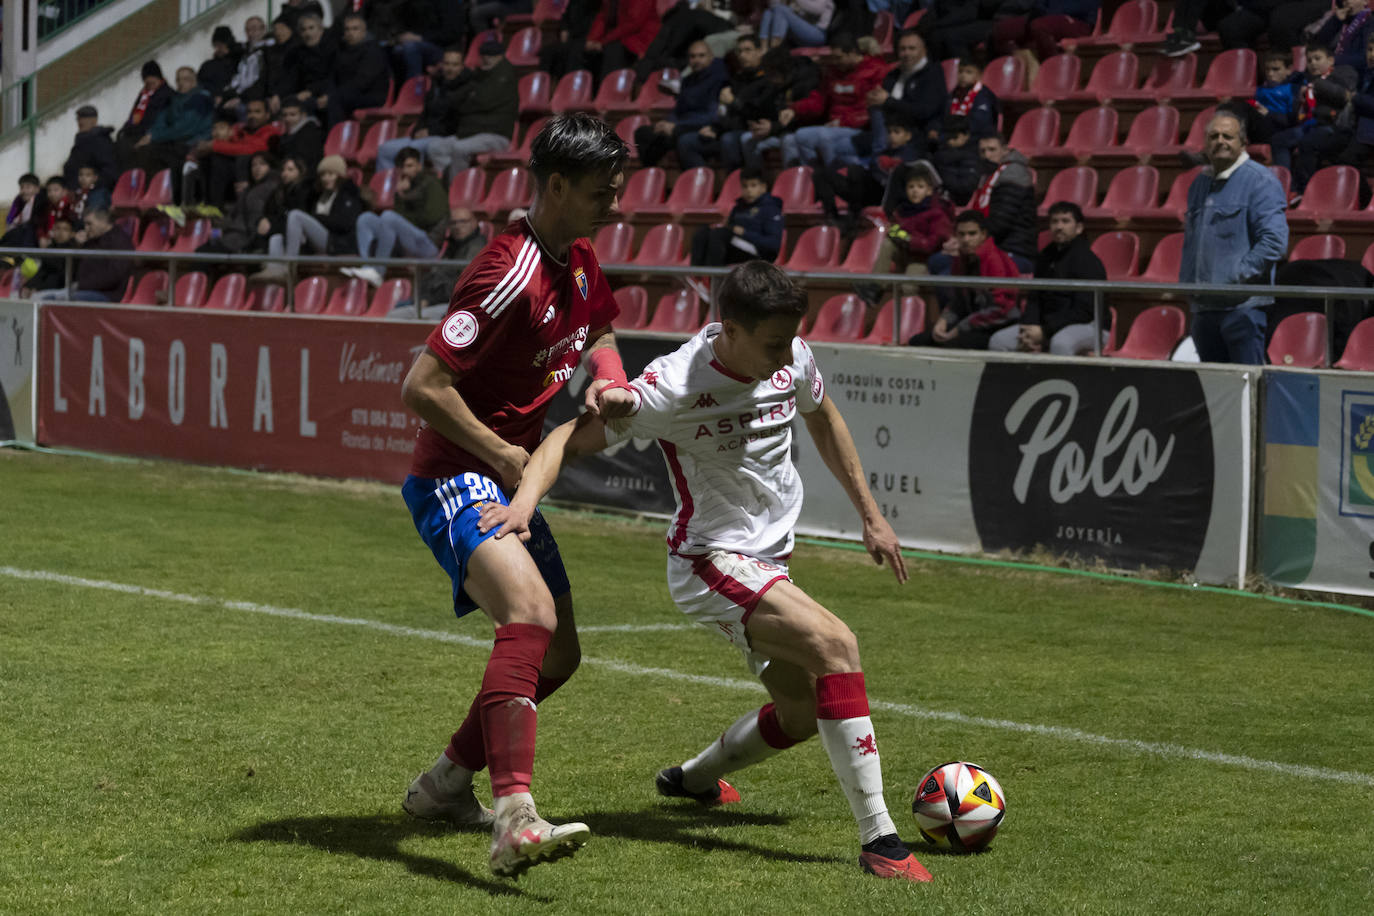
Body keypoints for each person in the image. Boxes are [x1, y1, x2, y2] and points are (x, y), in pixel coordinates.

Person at [476, 259, 931, 885]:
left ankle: (691, 780)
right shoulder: (669, 387)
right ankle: (880, 837)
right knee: (837, 644)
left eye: (790, 340)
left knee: (800, 716)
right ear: (729, 329)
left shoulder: (790, 353)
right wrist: (523, 505)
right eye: (772, 343)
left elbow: (824, 418)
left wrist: (871, 516)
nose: (785, 356)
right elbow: (562, 440)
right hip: (709, 561)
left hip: (770, 563)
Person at [395, 113, 636, 879]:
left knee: (558, 655)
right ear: (556, 186)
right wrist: (502, 451)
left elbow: (597, 335)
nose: (616, 206)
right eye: (602, 192)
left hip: (508, 471)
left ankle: (442, 787)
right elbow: (421, 387)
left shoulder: (582, 258)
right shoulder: (506, 273)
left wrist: (612, 383)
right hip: (456, 474)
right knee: (530, 617)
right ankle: (514, 818)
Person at [1179, 112, 1288, 364]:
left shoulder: (1260, 181)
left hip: (1242, 310)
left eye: (1228, 136)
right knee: (1217, 393)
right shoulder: (1198, 183)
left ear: (1243, 142)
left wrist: (1236, 275)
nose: (1220, 141)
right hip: (1204, 310)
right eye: (1213, 136)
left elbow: (1274, 243)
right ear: (1205, 143)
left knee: (1247, 390)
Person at [988, 201, 1107, 355]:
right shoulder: (1045, 256)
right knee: (999, 341)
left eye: (1065, 221)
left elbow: (1085, 311)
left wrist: (1044, 331)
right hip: (1047, 324)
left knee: (1061, 343)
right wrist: (1029, 326)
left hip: (1090, 326)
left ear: (1079, 228)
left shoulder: (1089, 261)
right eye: (1054, 221)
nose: (1059, 227)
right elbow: (1034, 297)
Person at [909, 209, 1019, 349]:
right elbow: (958, 301)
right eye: (961, 234)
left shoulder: (995, 260)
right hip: (971, 323)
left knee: (950, 345)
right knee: (918, 341)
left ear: (983, 235)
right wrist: (943, 321)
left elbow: (1002, 308)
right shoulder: (960, 260)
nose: (966, 239)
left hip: (999, 325)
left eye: (972, 234)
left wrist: (960, 328)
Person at [781, 33, 889, 169]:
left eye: (839, 57)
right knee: (795, 138)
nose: (835, 62)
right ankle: (809, 181)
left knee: (824, 137)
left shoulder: (875, 70)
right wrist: (794, 109)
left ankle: (834, 179)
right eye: (833, 58)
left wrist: (843, 122)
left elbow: (872, 110)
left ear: (853, 53)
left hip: (861, 129)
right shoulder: (833, 73)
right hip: (835, 126)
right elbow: (819, 101)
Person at [349, 146, 448, 284]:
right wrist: (400, 195)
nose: (406, 170)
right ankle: (368, 266)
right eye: (402, 167)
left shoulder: (432, 184)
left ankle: (378, 272)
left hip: (428, 244)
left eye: (410, 165)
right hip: (408, 242)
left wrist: (404, 217)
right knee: (366, 219)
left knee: (388, 217)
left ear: (419, 165)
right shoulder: (404, 187)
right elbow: (400, 217)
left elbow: (433, 217)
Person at [856, 164, 953, 304]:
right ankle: (875, 289)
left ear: (929, 190)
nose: (915, 191)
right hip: (905, 253)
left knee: (907, 287)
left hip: (924, 259)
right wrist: (895, 233)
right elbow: (895, 231)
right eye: (911, 187)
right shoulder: (903, 210)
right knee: (888, 244)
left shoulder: (938, 213)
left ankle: (910, 321)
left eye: (920, 187)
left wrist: (907, 238)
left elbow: (931, 245)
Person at [813, 115, 920, 231]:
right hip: (862, 192)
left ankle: (853, 218)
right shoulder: (883, 152)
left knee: (856, 170)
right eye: (889, 132)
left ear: (908, 136)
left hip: (884, 195)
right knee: (821, 174)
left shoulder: (912, 154)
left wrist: (892, 164)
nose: (892, 136)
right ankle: (832, 217)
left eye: (897, 132)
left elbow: (906, 177)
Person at [635, 41, 730, 167]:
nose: (696, 60)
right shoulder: (687, 81)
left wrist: (676, 126)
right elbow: (678, 109)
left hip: (702, 127)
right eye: (692, 56)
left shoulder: (720, 80)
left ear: (711, 57)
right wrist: (667, 123)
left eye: (701, 56)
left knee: (682, 139)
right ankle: (650, 177)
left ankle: (699, 180)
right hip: (681, 125)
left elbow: (712, 115)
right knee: (643, 133)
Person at [388, 209, 488, 319]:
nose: (458, 226)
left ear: (474, 223)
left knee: (422, 318)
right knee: (393, 315)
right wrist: (424, 298)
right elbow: (435, 275)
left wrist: (429, 300)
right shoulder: (452, 246)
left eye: (463, 221)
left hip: (454, 305)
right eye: (453, 223)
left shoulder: (477, 247)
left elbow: (461, 285)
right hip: (433, 301)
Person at [134, 66, 215, 198]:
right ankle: (151, 195)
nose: (181, 83)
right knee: (145, 150)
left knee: (169, 156)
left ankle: (172, 198)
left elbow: (185, 128)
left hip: (193, 141)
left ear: (194, 81)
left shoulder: (200, 99)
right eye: (178, 80)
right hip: (174, 141)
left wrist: (155, 136)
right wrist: (150, 134)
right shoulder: (175, 99)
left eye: (185, 79)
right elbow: (161, 120)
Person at [869, 31, 948, 151]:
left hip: (915, 133)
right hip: (887, 129)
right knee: (830, 140)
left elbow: (924, 111)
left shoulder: (932, 74)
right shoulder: (893, 75)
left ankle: (880, 157)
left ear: (924, 50)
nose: (907, 53)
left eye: (912, 48)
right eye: (903, 49)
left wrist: (888, 101)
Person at [34, 209, 134, 302]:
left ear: (103, 222)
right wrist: (76, 244)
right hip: (82, 289)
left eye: (89, 224)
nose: (86, 228)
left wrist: (81, 285)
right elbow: (67, 267)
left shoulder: (120, 241)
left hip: (107, 294)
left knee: (47, 299)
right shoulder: (91, 240)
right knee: (37, 297)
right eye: (85, 224)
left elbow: (113, 276)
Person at [690, 166, 783, 266]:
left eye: (753, 186)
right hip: (736, 246)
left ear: (763, 187)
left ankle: (715, 278)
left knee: (719, 235)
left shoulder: (771, 208)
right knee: (704, 232)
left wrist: (744, 233)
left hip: (758, 254)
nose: (749, 190)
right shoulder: (738, 207)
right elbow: (731, 229)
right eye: (745, 186)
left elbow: (773, 244)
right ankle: (696, 275)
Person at [115, 62, 174, 170]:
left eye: (152, 80)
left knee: (141, 151)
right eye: (147, 80)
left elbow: (164, 120)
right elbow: (134, 116)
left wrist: (149, 135)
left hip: (151, 135)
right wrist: (125, 129)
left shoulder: (168, 94)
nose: (149, 83)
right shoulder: (143, 95)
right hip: (135, 133)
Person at [22, 216, 79, 297]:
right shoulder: (50, 248)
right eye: (58, 228)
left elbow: (59, 277)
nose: (60, 232)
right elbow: (42, 272)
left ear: (72, 233)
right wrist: (28, 286)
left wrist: (38, 289)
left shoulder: (74, 250)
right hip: (44, 288)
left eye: (65, 229)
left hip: (62, 290)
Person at [64, 105, 118, 191]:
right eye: (78, 119)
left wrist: (92, 185)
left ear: (94, 120)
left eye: (84, 118)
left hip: (94, 192)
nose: (80, 122)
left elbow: (109, 170)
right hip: (76, 190)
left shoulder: (100, 141)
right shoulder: (81, 139)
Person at [945, 57, 999, 141]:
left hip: (977, 138)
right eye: (960, 71)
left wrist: (962, 134)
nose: (963, 75)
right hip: (953, 135)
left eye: (968, 72)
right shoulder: (954, 93)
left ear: (979, 75)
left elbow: (981, 122)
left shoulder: (984, 95)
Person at [274, 98, 325, 172]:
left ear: (303, 115)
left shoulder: (311, 133)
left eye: (293, 114)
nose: (287, 119)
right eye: (284, 115)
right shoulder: (286, 135)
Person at [758, 0, 833, 48]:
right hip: (799, 35)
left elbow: (817, 10)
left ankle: (774, 49)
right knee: (769, 12)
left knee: (781, 9)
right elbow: (773, 6)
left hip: (817, 34)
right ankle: (763, 48)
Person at [3, 174, 47, 248]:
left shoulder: (42, 202)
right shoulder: (18, 201)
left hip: (33, 238)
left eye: (28, 187)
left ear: (37, 189)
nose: (24, 191)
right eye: (21, 187)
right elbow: (10, 220)